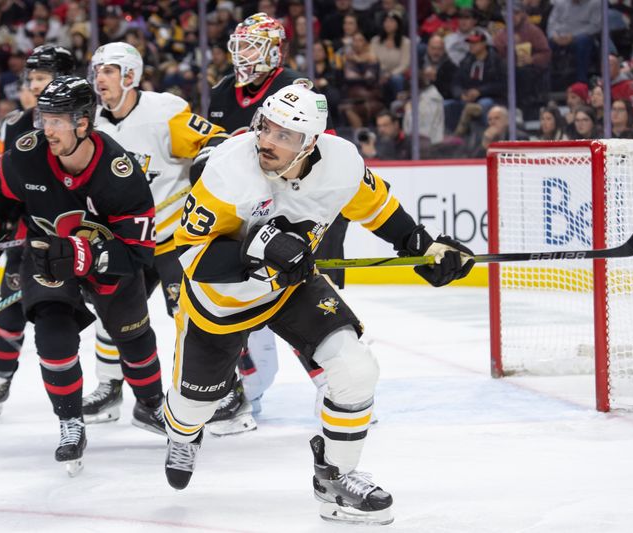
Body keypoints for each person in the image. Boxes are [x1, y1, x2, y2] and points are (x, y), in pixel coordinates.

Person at [162, 84, 474, 524]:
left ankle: (336, 480)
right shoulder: (228, 168)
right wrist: (263, 245)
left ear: (311, 142)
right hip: (223, 300)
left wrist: (420, 247)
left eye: (285, 135)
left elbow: (377, 207)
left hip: (293, 287)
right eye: (265, 127)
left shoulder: (342, 160)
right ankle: (182, 430)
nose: (267, 141)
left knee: (356, 370)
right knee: (194, 406)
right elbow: (192, 255)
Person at [0, 76, 159, 475]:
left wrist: (84, 253)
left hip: (108, 262)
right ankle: (70, 422)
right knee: (52, 337)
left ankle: (152, 405)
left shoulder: (120, 172)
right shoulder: (27, 153)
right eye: (43, 118)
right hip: (48, 257)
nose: (46, 129)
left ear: (84, 123)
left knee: (133, 337)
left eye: (57, 120)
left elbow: (137, 251)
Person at [206, 12, 348, 435]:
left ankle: (337, 389)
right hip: (252, 218)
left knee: (308, 306)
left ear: (273, 51)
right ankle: (243, 394)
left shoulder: (296, 90)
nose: (243, 55)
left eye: (252, 46)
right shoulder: (220, 92)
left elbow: (323, 158)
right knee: (245, 304)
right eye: (240, 45)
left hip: (303, 212)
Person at [81, 41, 227, 428]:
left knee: (194, 317)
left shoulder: (164, 112)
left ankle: (220, 393)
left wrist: (203, 165)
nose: (99, 78)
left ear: (131, 76)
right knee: (110, 312)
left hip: (175, 240)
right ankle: (109, 387)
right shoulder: (92, 123)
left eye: (108, 70)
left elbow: (219, 141)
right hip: (128, 241)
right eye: (96, 70)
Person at [0, 45, 76, 421]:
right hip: (28, 238)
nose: (32, 87)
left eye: (41, 79)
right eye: (30, 80)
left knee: (116, 314)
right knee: (10, 310)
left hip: (79, 241)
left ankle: (114, 387)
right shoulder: (13, 124)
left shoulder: (87, 122)